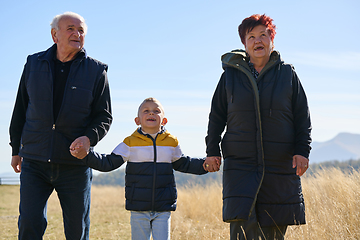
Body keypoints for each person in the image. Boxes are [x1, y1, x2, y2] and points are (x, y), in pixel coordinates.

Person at [203, 14, 312, 240]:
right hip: (241, 165)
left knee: (274, 226)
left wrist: (302, 151)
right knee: (242, 227)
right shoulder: (230, 77)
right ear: (245, 44)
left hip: (278, 165)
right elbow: (216, 116)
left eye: (263, 34)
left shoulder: (288, 75)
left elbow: (303, 118)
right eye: (251, 36)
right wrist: (212, 150)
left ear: (272, 40)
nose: (257, 41)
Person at [9, 12, 112, 240]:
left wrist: (88, 138)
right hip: (34, 161)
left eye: (81, 30)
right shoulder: (33, 64)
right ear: (55, 34)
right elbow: (20, 110)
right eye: (70, 29)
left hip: (74, 164)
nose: (77, 34)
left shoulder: (96, 71)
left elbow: (104, 117)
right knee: (29, 223)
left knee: (77, 230)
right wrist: (16, 149)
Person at [70, 97, 208, 240]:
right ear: (137, 120)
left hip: (163, 206)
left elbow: (184, 163)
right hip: (138, 207)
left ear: (164, 120)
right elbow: (108, 163)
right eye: (146, 111)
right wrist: (87, 156)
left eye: (156, 111)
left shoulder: (171, 142)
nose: (151, 114)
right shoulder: (130, 143)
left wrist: (206, 165)